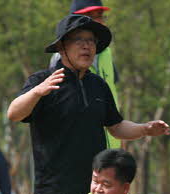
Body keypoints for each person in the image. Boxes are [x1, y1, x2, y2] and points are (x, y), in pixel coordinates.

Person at [7, 14, 169, 194]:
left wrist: (145, 129)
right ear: (62, 47)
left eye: (91, 41)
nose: (87, 46)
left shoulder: (98, 85)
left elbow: (116, 126)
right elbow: (14, 113)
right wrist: (36, 92)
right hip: (56, 193)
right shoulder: (43, 81)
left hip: (96, 191)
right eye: (79, 40)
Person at [51, 1, 120, 150]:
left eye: (100, 16)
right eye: (90, 16)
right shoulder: (61, 57)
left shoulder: (106, 53)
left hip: (111, 144)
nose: (98, 21)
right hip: (78, 150)